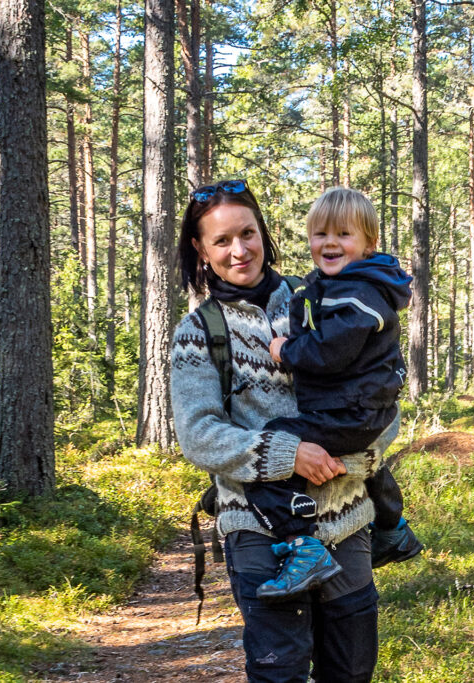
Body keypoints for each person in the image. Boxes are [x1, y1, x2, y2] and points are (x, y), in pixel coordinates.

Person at [171, 179, 395, 682]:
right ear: (200, 249)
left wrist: (357, 456)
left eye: (247, 233)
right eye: (222, 241)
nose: (239, 250)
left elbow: (381, 393)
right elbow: (198, 432)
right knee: (281, 674)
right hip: (257, 529)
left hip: (346, 518)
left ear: (263, 233)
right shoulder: (197, 332)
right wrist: (287, 455)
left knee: (351, 672)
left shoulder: (324, 295)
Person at [248, 187, 423, 601]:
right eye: (320, 233)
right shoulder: (345, 285)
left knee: (271, 449)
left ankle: (302, 545)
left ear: (368, 244)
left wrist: (285, 350)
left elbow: (329, 353)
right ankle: (393, 529)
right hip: (359, 410)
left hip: (346, 411)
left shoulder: (357, 294)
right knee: (362, 460)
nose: (329, 242)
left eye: (344, 234)